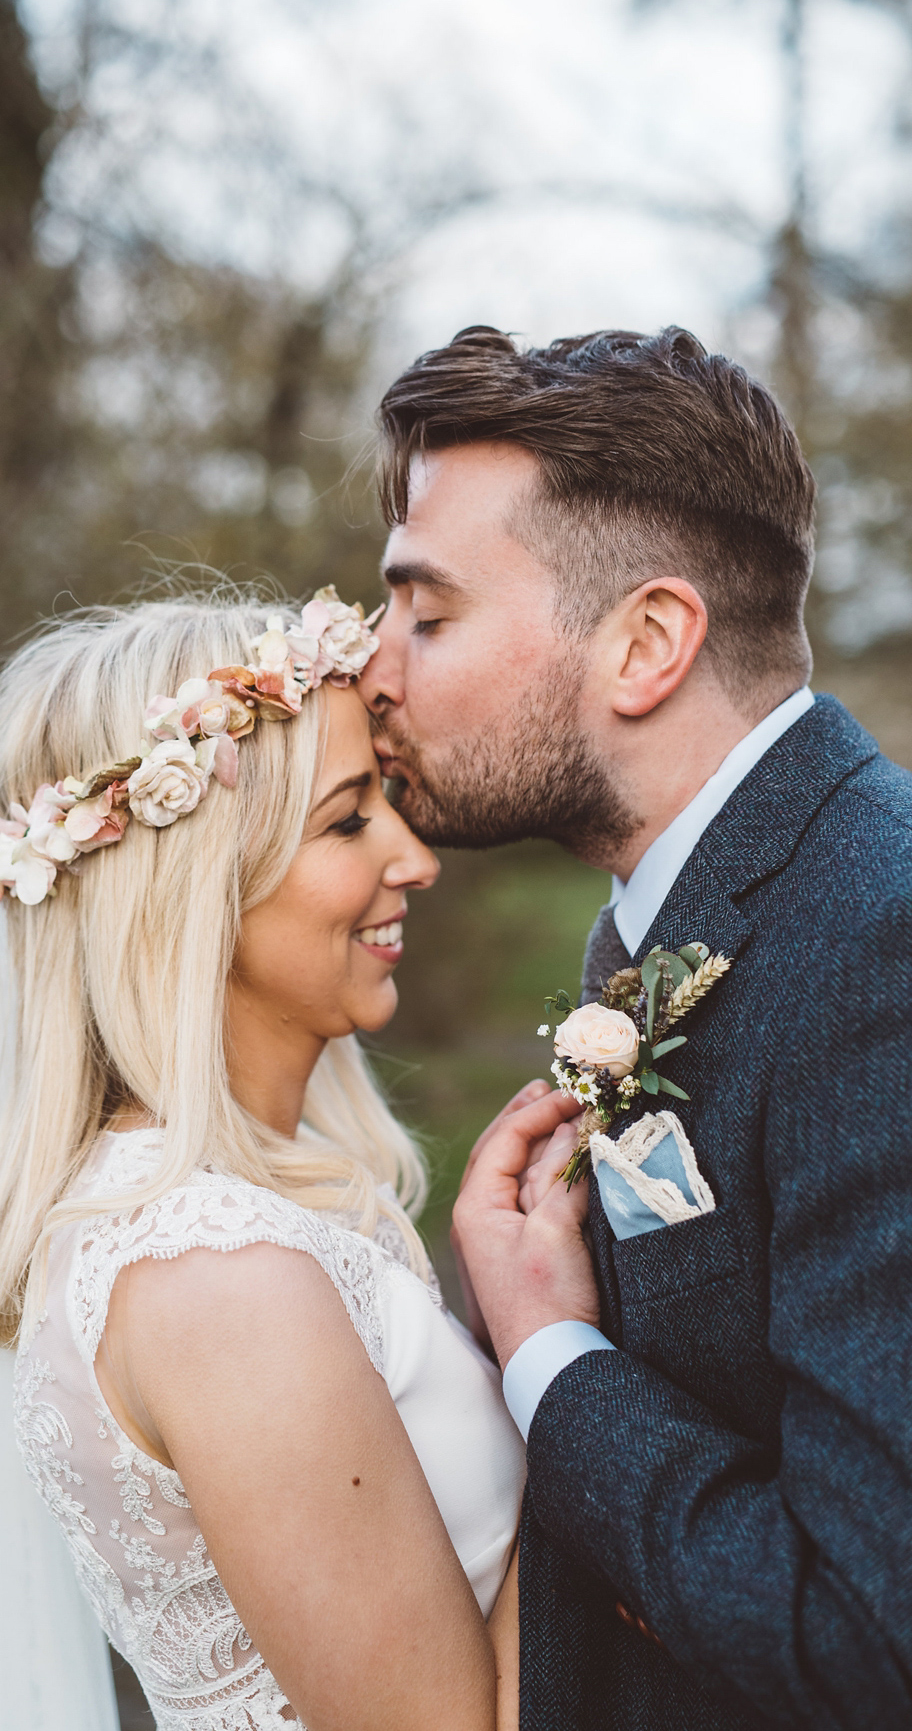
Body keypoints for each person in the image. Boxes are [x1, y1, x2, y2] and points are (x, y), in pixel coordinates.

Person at [361, 324, 912, 1730]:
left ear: (648, 643)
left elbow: (867, 1632)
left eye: (427, 615)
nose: (371, 671)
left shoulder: (879, 943)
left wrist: (555, 1356)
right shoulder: (678, 916)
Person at [0, 591, 547, 1731]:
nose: (414, 856)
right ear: (198, 888)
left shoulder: (243, 1216)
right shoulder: (214, 1281)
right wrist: (585, 1378)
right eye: (349, 820)